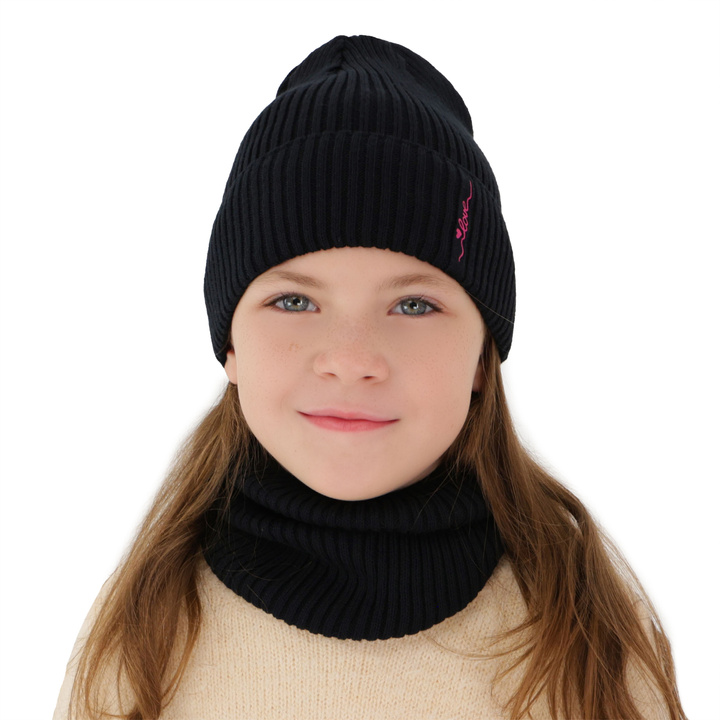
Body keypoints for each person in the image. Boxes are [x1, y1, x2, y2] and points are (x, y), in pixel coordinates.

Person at [53, 35, 686, 720]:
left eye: (413, 305)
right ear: (230, 345)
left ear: (483, 356)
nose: (350, 358)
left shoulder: (584, 635)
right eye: (294, 301)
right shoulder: (145, 633)